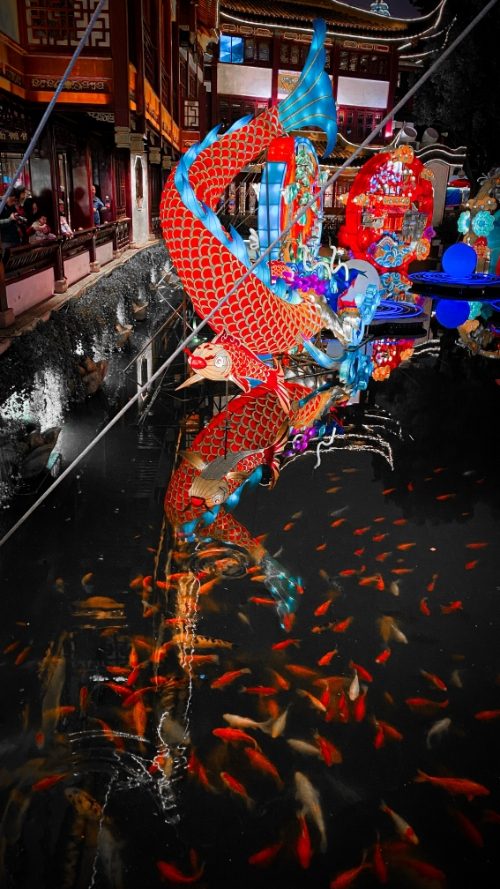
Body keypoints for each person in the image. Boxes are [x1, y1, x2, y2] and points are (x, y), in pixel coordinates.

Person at [0, 188, 23, 258]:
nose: (13, 203)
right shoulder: (1, 206)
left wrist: (19, 219)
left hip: (16, 238)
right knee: (6, 261)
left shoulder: (12, 206)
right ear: (7, 197)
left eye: (15, 201)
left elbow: (16, 216)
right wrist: (9, 219)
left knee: (17, 260)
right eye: (13, 200)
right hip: (5, 240)